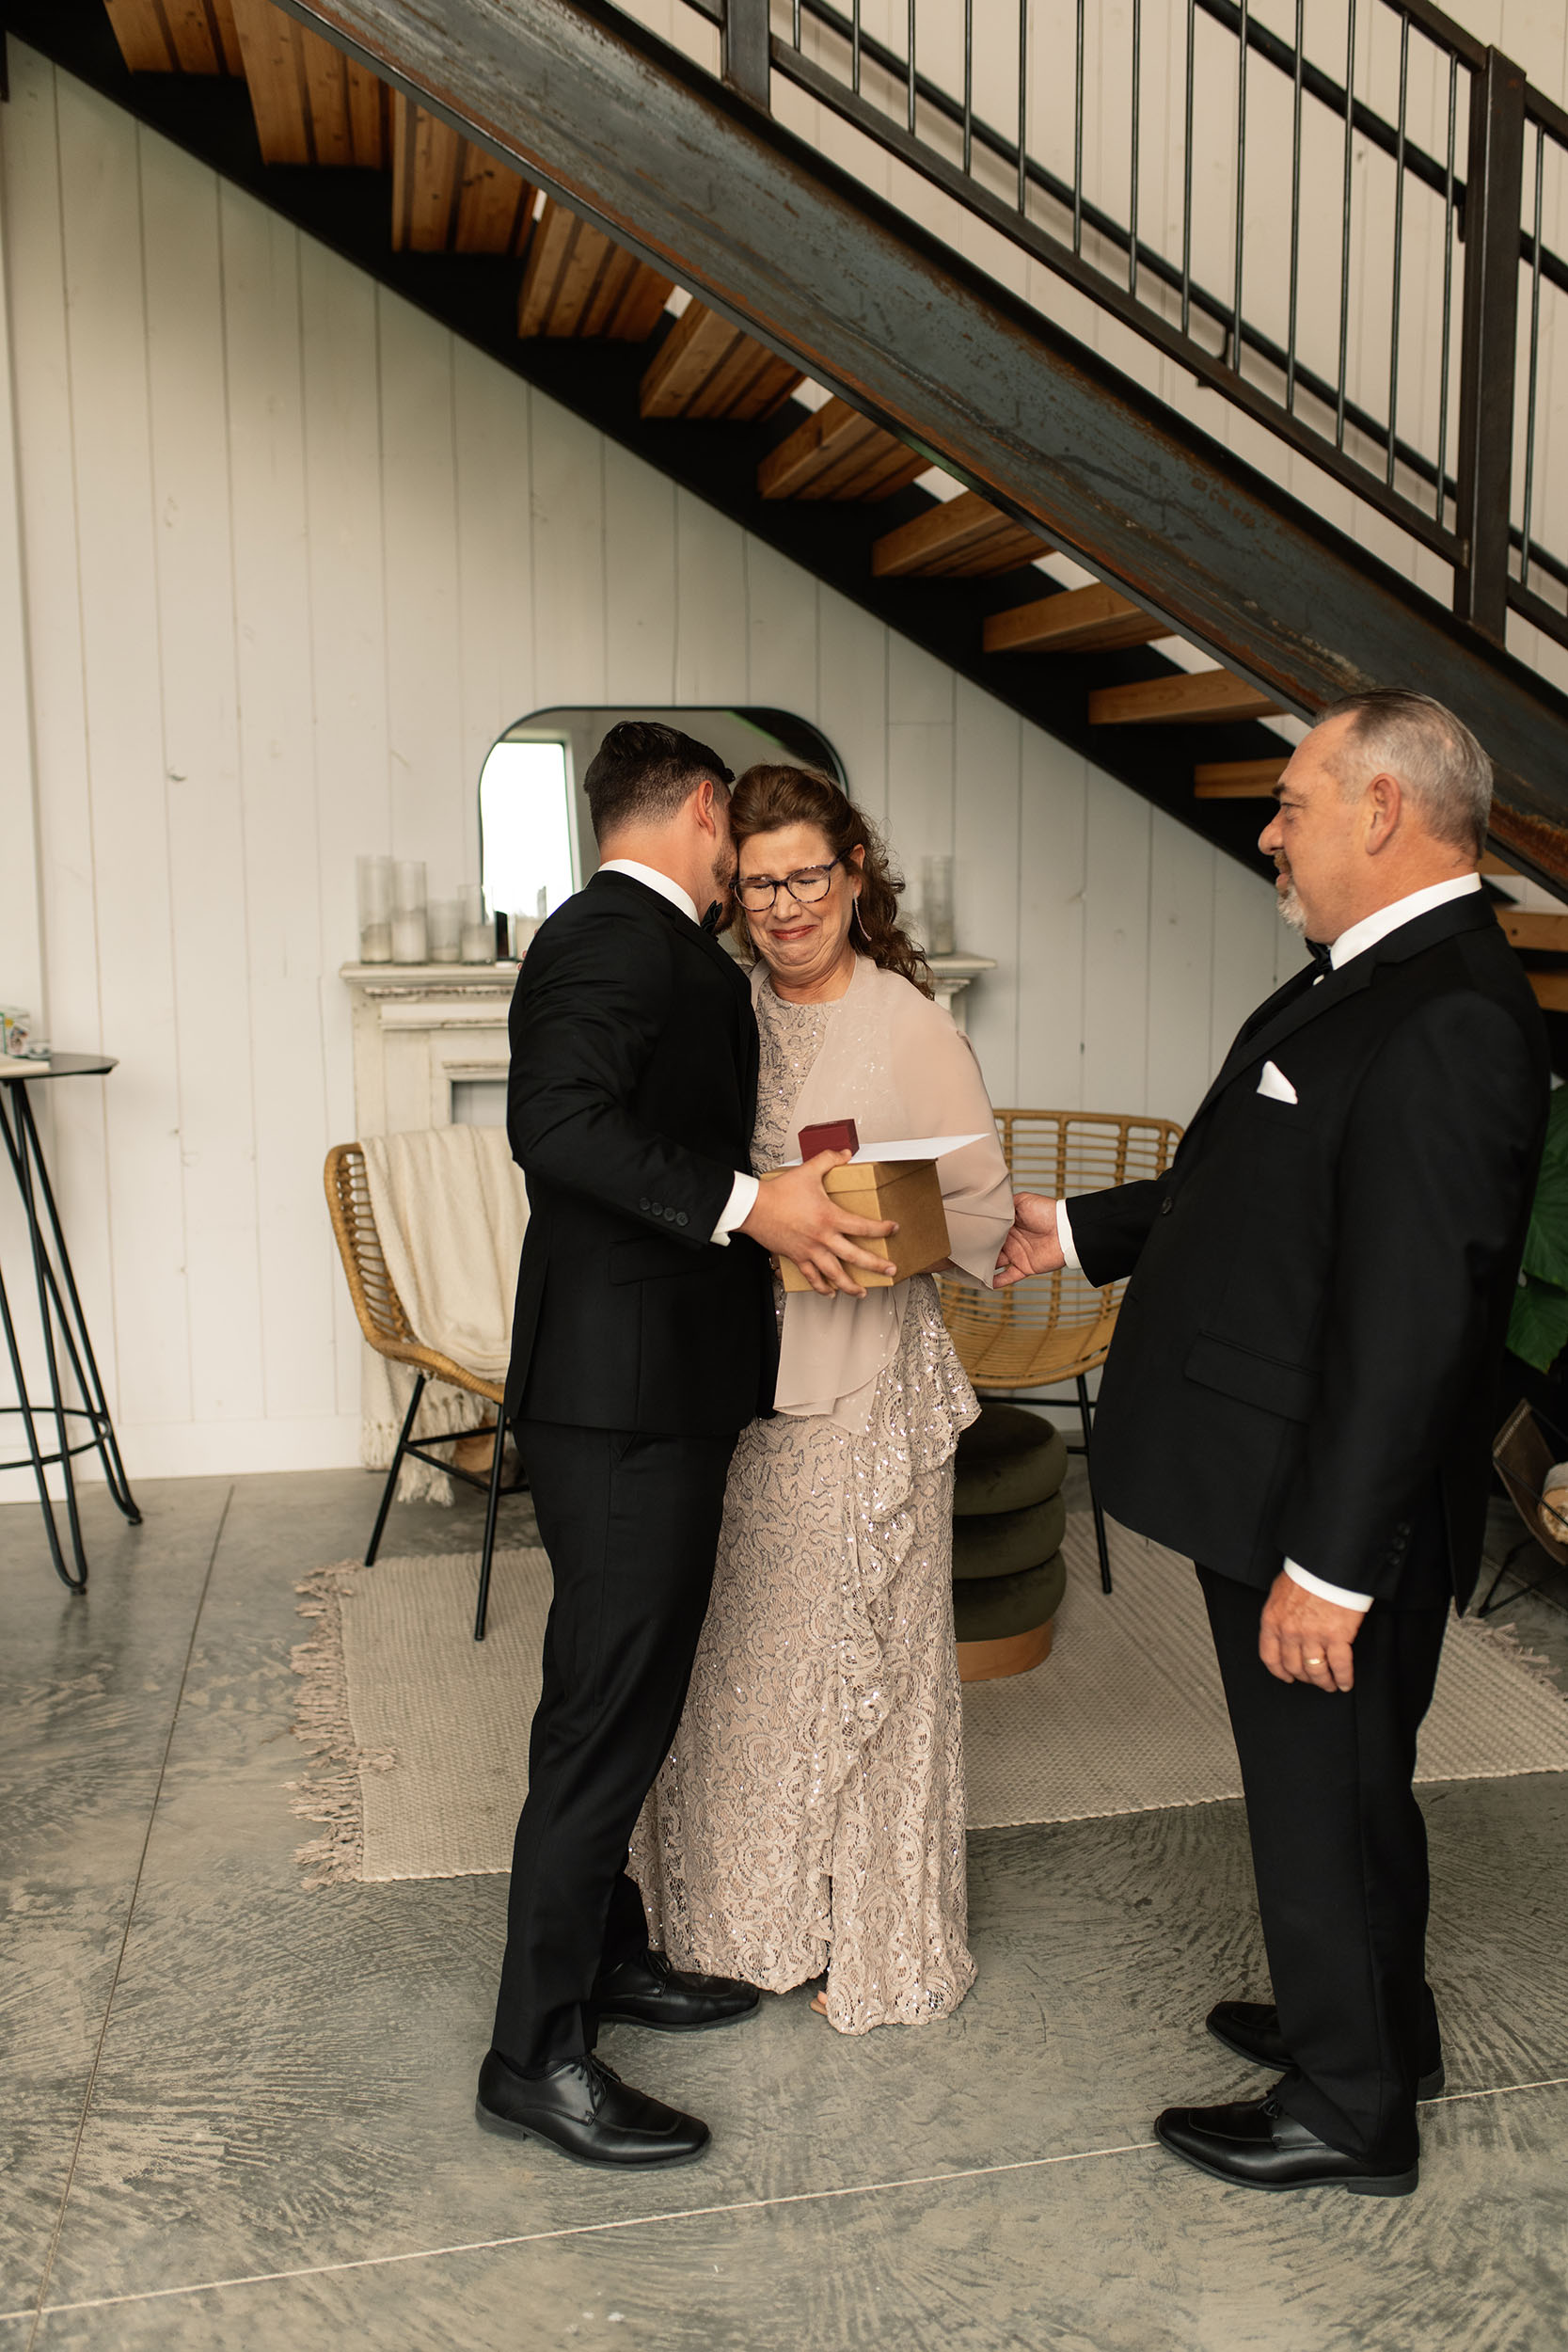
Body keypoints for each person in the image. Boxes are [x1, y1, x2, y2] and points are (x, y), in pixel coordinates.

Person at [997, 690, 1547, 2198]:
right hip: (1285, 1473)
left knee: (1321, 1788)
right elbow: (1258, 1186)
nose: (1271, 826)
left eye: (1294, 799)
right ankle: (1374, 2020)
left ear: (1381, 809)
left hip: (1328, 1501)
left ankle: (1348, 2106)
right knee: (1342, 1785)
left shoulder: (1446, 1016)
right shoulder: (1366, 976)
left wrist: (1331, 1563)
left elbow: (1414, 1322)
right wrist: (1074, 1229)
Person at [478, 723, 898, 2170]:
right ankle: (533, 2053)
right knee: (607, 1717)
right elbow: (557, 1128)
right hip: (624, 1397)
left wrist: (764, 1206)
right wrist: (750, 1205)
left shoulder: (638, 941)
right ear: (710, 812)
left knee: (605, 1690)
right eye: (742, 849)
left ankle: (606, 1955)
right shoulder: (614, 937)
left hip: (645, 1382)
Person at [632, 765, 1014, 2033]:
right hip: (732, 1378)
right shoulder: (719, 1005)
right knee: (733, 1665)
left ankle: (861, 1922)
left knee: (851, 1668)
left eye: (808, 877)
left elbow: (984, 1213)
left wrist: (870, 1218)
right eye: (759, 883)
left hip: (858, 1385)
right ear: (731, 893)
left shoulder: (908, 1022)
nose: (786, 906)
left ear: (854, 874)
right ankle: (734, 1927)